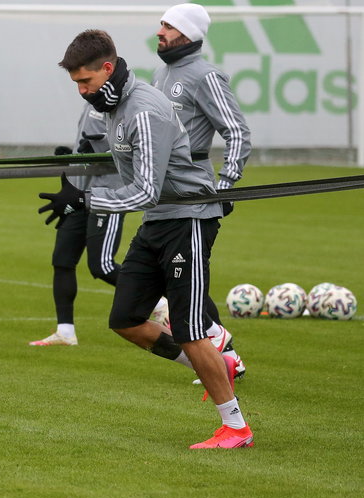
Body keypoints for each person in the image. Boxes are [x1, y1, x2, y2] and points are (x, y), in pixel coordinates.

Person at [46, 29, 253, 448]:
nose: (82, 91)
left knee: (192, 329)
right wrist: (78, 179)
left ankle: (236, 427)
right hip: (159, 222)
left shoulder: (142, 109)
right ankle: (217, 365)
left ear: (107, 69)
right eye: (77, 84)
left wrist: (84, 200)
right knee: (125, 319)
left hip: (188, 220)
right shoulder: (112, 107)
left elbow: (145, 191)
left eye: (85, 81)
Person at [153, 3, 252, 381]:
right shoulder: (161, 74)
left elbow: (237, 131)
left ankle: (223, 350)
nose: (159, 31)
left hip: (193, 194)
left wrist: (226, 182)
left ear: (189, 33)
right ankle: (220, 342)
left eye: (168, 25)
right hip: (161, 195)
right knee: (166, 275)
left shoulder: (206, 76)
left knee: (182, 281)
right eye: (161, 23)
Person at [30, 103, 124, 346]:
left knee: (101, 266)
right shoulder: (90, 101)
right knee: (62, 260)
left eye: (84, 78)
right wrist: (71, 154)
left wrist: (98, 150)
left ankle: (160, 303)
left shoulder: (123, 104)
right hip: (76, 192)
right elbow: (85, 142)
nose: (81, 86)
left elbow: (130, 152)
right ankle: (66, 332)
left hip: (107, 193)